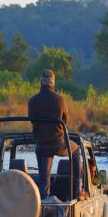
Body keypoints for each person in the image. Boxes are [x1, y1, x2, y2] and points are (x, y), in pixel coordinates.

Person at [28, 69, 85, 200]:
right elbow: (65, 120)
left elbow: (32, 120)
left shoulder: (32, 101)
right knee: (76, 150)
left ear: (41, 82)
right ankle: (77, 190)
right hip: (58, 144)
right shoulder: (60, 100)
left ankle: (44, 201)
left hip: (42, 145)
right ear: (53, 83)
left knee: (44, 179)